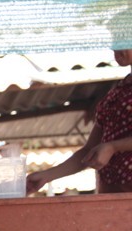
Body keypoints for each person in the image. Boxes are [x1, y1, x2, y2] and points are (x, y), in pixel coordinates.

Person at [26, 49, 132, 195]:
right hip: (110, 195)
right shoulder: (118, 91)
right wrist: (47, 176)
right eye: (115, 41)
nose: (117, 48)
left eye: (125, 41)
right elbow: (89, 150)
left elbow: (107, 147)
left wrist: (113, 147)